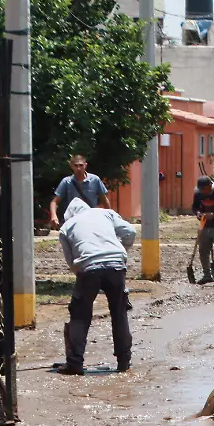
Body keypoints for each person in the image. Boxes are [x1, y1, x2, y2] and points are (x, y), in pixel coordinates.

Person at [56, 198, 136, 375]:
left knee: (79, 315)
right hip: (116, 266)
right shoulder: (105, 213)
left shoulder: (66, 227)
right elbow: (130, 232)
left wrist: (86, 277)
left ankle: (75, 363)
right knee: (119, 312)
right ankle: (124, 362)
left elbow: (71, 261)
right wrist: (121, 250)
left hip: (88, 267)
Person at [49, 154, 111, 228]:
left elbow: (104, 200)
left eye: (81, 165)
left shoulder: (95, 180)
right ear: (71, 166)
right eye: (76, 165)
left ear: (85, 165)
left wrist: (109, 217)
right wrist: (54, 216)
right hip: (73, 221)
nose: (78, 168)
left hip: (91, 220)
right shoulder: (67, 182)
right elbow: (54, 202)